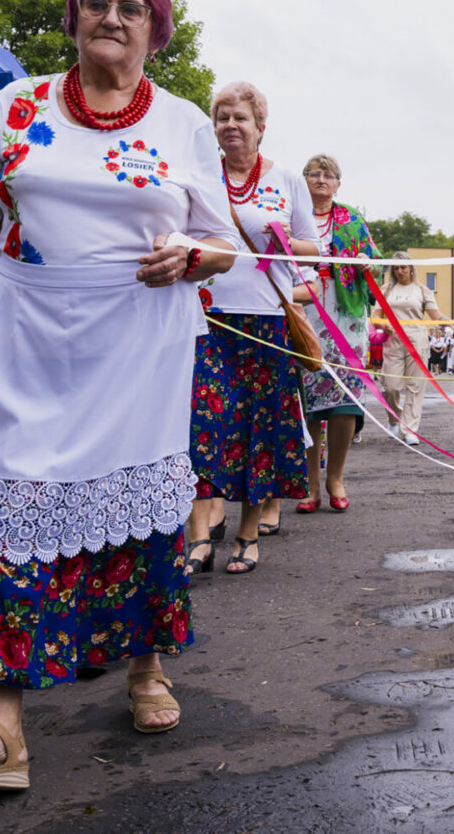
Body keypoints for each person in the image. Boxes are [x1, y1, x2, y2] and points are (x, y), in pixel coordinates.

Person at [0, 0, 237, 793]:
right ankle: (2, 727)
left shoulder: (182, 123)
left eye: (130, 8)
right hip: (26, 337)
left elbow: (223, 244)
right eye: (95, 2)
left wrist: (190, 255)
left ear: (155, 29)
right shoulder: (16, 104)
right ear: (73, 17)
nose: (111, 17)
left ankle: (146, 667)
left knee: (142, 512)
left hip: (140, 344)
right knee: (15, 510)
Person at [184, 82, 317, 575]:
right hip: (207, 318)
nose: (230, 126)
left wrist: (283, 242)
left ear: (261, 126)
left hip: (267, 321)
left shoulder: (287, 180)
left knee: (260, 429)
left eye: (240, 118)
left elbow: (313, 248)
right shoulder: (200, 174)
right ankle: (199, 538)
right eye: (222, 118)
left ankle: (247, 534)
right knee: (202, 425)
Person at [293, 154, 380, 513]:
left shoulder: (352, 218)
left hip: (346, 316)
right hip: (305, 309)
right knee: (309, 400)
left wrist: (365, 263)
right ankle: (311, 484)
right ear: (304, 180)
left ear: (338, 183)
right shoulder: (293, 215)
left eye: (328, 175)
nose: (321, 179)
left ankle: (336, 478)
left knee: (345, 398)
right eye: (314, 174)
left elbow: (374, 258)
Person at [380, 254, 447, 446]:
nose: (399, 271)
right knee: (390, 386)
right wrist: (383, 325)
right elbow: (376, 314)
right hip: (393, 340)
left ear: (411, 268)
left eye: (403, 267)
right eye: (396, 268)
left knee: (415, 387)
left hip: (417, 339)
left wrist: (451, 323)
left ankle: (409, 429)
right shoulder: (386, 289)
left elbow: (436, 315)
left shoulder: (422, 290)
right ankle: (394, 419)